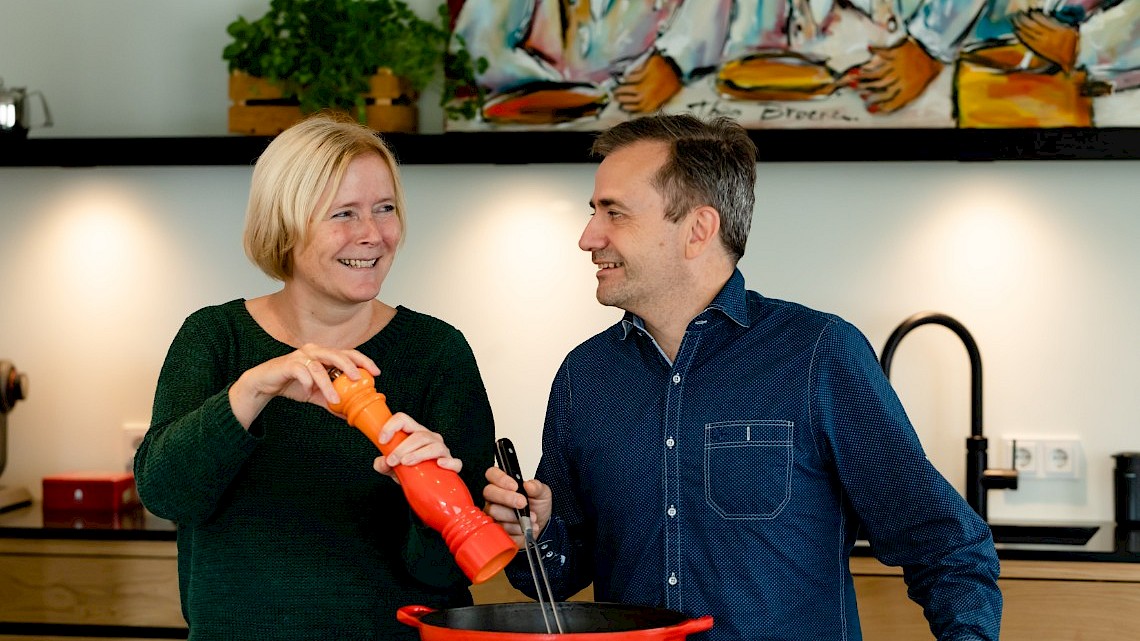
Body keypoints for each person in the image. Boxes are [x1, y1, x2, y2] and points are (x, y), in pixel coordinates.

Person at [482, 114, 1001, 640]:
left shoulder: (817, 354)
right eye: (593, 212)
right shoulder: (584, 377)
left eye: (614, 213)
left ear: (698, 230)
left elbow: (946, 546)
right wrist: (536, 534)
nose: (587, 237)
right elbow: (556, 580)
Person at [134, 113, 496, 640]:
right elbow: (167, 495)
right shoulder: (214, 338)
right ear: (285, 223)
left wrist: (427, 498)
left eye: (385, 209)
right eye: (343, 213)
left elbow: (445, 572)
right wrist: (251, 391)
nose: (372, 235)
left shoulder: (437, 352)